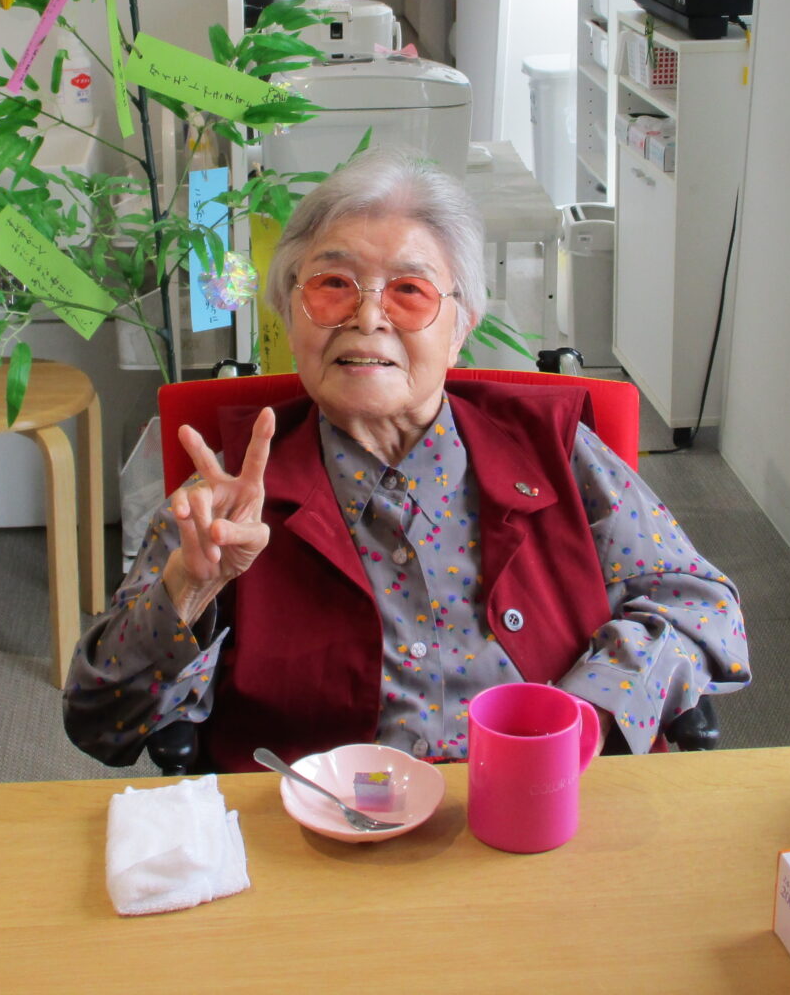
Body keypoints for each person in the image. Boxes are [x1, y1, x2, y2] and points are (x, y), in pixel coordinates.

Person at [64, 148, 748, 771]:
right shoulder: (231, 491)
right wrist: (187, 591)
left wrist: (585, 717)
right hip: (311, 837)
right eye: (333, 285)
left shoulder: (556, 450)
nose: (367, 319)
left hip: (546, 815)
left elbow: (702, 607)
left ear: (460, 327)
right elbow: (99, 722)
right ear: (288, 316)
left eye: (409, 291)